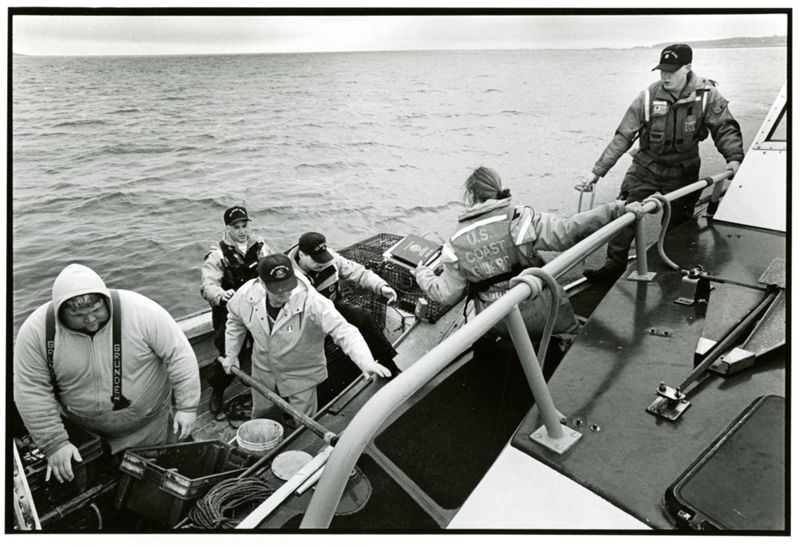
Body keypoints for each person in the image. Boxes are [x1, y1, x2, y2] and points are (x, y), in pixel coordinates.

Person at [414, 166, 641, 357]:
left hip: (497, 320)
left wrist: (422, 273)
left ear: (471, 195)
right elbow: (568, 231)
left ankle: (485, 352)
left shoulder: (455, 241)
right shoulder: (519, 219)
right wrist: (615, 209)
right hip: (542, 311)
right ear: (498, 188)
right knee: (571, 334)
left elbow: (446, 294)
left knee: (481, 318)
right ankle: (563, 347)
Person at [14, 264, 200, 484]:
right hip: (87, 431)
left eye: (96, 310)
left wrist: (187, 407)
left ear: (106, 300)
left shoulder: (143, 311)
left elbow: (179, 356)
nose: (90, 320)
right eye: (78, 314)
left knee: (163, 473)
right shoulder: (35, 333)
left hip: (151, 424)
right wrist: (55, 443)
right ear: (59, 312)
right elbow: (31, 390)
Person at [582, 43, 744, 281]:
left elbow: (725, 128)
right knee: (624, 217)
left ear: (687, 68)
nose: (665, 76)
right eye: (662, 71)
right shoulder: (648, 97)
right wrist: (597, 172)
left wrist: (734, 159)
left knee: (678, 226)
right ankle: (613, 268)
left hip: (683, 172)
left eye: (671, 71)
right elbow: (623, 136)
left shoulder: (707, 96)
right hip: (646, 169)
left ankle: (669, 271)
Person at [223, 254, 392, 422]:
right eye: (277, 290)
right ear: (261, 283)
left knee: (304, 420)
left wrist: (366, 362)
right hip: (263, 370)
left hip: (301, 373)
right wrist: (231, 355)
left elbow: (344, 331)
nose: (285, 294)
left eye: (288, 287)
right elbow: (235, 320)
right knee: (262, 413)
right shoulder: (246, 294)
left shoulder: (312, 301)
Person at [287, 232, 401, 376]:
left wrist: (381, 287)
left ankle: (389, 365)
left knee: (363, 316)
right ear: (302, 255)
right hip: (305, 318)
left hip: (332, 306)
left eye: (323, 258)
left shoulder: (330, 258)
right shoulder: (287, 275)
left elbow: (358, 272)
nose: (321, 263)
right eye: (316, 260)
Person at [200, 205, 272, 413]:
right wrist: (220, 295)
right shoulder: (217, 255)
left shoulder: (261, 248)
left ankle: (264, 389)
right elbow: (207, 285)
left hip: (257, 310)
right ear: (227, 228)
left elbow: (272, 268)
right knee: (229, 354)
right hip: (229, 314)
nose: (242, 231)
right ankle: (218, 390)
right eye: (236, 227)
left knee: (265, 349)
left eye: (244, 226)